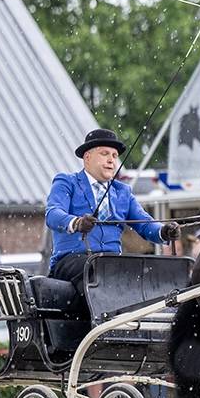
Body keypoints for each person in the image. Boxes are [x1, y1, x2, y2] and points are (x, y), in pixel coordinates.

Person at [45, 128, 181, 304]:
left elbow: (144, 223)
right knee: (97, 271)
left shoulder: (123, 191)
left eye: (115, 156)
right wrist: (76, 222)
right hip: (72, 261)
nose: (111, 160)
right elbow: (53, 213)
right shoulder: (66, 182)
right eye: (105, 154)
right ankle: (107, 325)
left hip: (111, 263)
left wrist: (163, 231)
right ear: (87, 157)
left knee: (143, 273)